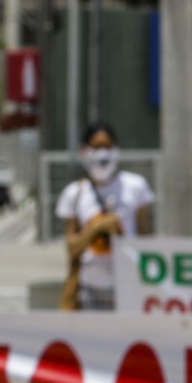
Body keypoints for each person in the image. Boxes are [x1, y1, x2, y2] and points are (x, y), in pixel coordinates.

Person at [55, 121, 152, 310]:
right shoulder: (74, 193)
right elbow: (71, 247)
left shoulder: (136, 187)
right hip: (89, 287)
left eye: (107, 146)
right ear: (85, 150)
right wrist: (96, 228)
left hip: (127, 283)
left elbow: (145, 237)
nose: (103, 153)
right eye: (97, 147)